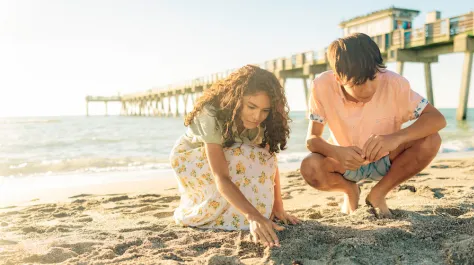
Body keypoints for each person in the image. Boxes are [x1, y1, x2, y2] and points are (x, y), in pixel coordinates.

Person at [301, 33, 446, 218]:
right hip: (345, 164)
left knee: (432, 139)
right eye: (359, 83)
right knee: (309, 166)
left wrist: (395, 139)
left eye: (373, 76)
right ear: (338, 78)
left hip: (387, 160)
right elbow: (312, 140)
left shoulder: (394, 83)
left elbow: (437, 119)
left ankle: (378, 194)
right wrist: (336, 152)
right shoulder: (321, 85)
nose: (369, 87)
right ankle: (350, 190)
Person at [170, 65, 299, 247]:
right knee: (239, 155)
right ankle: (207, 210)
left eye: (265, 110)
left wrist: (278, 208)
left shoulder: (260, 123)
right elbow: (220, 176)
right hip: (191, 159)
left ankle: (235, 211)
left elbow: (270, 163)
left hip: (229, 156)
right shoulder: (211, 113)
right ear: (237, 99)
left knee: (258, 156)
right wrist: (253, 216)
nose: (257, 116)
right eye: (251, 106)